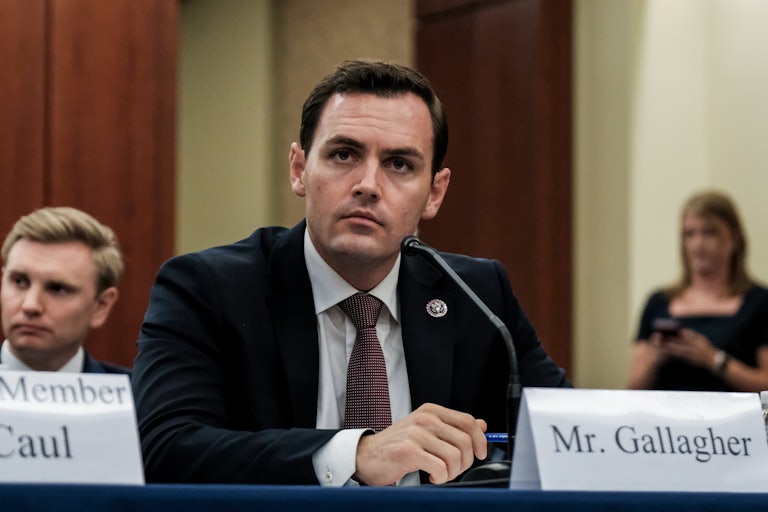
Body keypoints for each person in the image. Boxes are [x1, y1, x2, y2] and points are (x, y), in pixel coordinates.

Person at [132, 59, 570, 487]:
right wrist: (356, 455)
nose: (368, 184)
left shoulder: (476, 294)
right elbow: (163, 448)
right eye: (344, 154)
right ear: (300, 169)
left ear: (435, 193)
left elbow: (569, 439)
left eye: (400, 164)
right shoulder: (209, 288)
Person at [627, 190, 768, 391]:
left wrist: (714, 359)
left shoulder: (760, 303)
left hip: (733, 419)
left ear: (735, 238)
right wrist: (655, 359)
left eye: (709, 232)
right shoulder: (659, 302)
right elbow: (632, 389)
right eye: (689, 234)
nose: (698, 244)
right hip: (669, 419)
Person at [0, 206, 129, 374]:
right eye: (19, 281)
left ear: (100, 306)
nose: (30, 306)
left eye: (57, 288)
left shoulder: (138, 398)